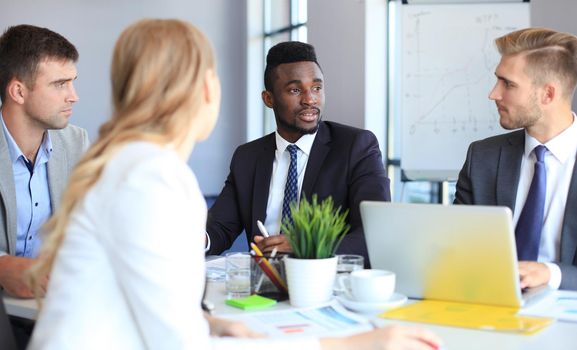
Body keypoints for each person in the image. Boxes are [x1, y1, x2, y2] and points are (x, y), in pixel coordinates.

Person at [28, 19, 440, 350]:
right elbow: (182, 341)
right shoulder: (149, 178)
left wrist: (215, 324)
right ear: (205, 87)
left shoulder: (136, 167)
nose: (310, 98)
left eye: (316, 87)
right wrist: (354, 345)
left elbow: (148, 302)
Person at [206, 41, 390, 263]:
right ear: (268, 99)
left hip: (328, 285)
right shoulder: (247, 157)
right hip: (265, 284)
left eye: (316, 88)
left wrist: (304, 245)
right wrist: (192, 239)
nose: (310, 99)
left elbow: (376, 233)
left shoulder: (356, 147)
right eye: (295, 90)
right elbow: (219, 228)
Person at [454, 27, 577, 290]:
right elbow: (458, 247)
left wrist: (551, 274)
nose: (494, 94)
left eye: (508, 84)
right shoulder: (482, 157)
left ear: (548, 94)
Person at [0, 24, 89, 299]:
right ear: (18, 92)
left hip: (52, 305)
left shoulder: (75, 143)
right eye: (60, 84)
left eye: (72, 81)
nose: (73, 96)